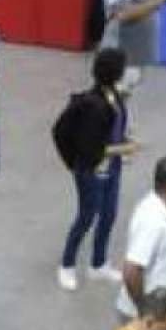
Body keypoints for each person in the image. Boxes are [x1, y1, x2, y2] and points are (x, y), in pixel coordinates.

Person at [58, 47, 138, 291]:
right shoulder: (95, 107)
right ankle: (67, 265)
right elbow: (93, 149)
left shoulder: (113, 96)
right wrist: (126, 149)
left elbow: (115, 128)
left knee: (109, 213)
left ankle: (98, 263)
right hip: (90, 169)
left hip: (110, 169)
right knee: (86, 215)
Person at [116, 155, 166, 322]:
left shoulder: (158, 208)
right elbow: (131, 270)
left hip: (157, 312)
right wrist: (144, 309)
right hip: (142, 317)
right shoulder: (154, 221)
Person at [98, 0, 166, 74]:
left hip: (138, 52)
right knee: (118, 85)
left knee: (133, 83)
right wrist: (158, 2)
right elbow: (124, 13)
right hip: (120, 53)